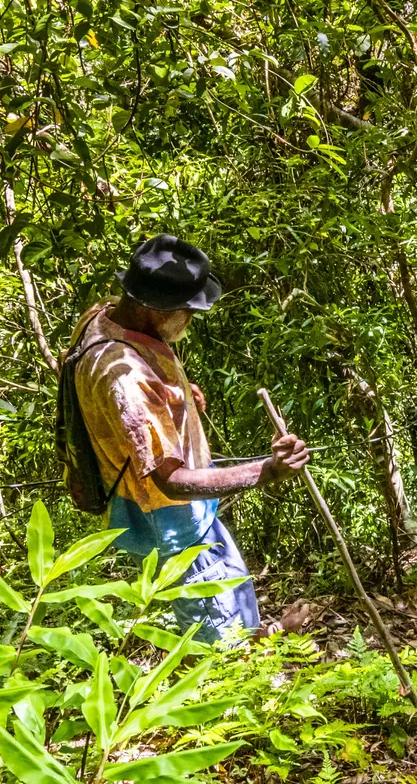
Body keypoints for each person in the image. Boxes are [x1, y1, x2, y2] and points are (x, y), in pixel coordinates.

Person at [67, 234, 311, 643]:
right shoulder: (126, 379)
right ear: (154, 309)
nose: (190, 320)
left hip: (178, 512)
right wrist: (267, 470)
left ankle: (257, 637)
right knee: (221, 636)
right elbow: (172, 481)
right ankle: (248, 672)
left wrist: (175, 395)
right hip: (170, 517)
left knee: (233, 593)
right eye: (187, 311)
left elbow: (128, 401)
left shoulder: (106, 314)